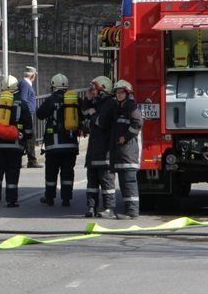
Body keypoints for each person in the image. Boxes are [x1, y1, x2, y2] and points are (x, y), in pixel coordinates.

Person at [0, 75, 32, 207]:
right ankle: (11, 200)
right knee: (13, 173)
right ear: (17, 88)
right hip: (15, 146)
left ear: (2, 87)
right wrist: (26, 141)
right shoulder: (22, 104)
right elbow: (28, 127)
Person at [36, 74, 79, 207]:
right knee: (68, 172)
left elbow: (40, 114)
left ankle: (50, 197)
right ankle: (66, 199)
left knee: (51, 172)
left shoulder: (51, 99)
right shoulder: (74, 99)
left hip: (54, 146)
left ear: (53, 86)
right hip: (71, 144)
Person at [83, 75, 116, 218]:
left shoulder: (110, 103)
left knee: (107, 182)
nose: (93, 91)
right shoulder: (98, 102)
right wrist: (88, 99)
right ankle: (91, 207)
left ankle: (109, 209)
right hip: (93, 151)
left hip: (104, 151)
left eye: (94, 89)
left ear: (102, 89)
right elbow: (84, 113)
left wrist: (93, 115)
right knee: (92, 183)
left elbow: (102, 122)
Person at [109, 80, 142, 219]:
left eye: (121, 92)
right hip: (121, 153)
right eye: (117, 92)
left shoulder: (131, 107)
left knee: (129, 183)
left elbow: (138, 123)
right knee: (124, 184)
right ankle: (129, 211)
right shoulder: (119, 108)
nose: (119, 94)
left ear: (127, 94)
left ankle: (132, 212)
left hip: (128, 153)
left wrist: (125, 137)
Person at [19, 66, 41, 168]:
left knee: (28, 137)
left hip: (26, 115)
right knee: (30, 137)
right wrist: (26, 116)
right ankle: (31, 160)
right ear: (32, 75)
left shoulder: (25, 84)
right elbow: (23, 101)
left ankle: (30, 160)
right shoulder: (25, 85)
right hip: (26, 116)